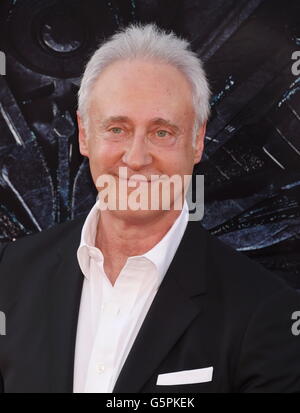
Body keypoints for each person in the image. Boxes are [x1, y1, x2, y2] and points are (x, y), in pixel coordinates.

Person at [0, 23, 299, 393]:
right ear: (84, 134)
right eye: (117, 129)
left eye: (162, 132)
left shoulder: (264, 312)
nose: (137, 157)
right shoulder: (11, 275)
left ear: (197, 141)